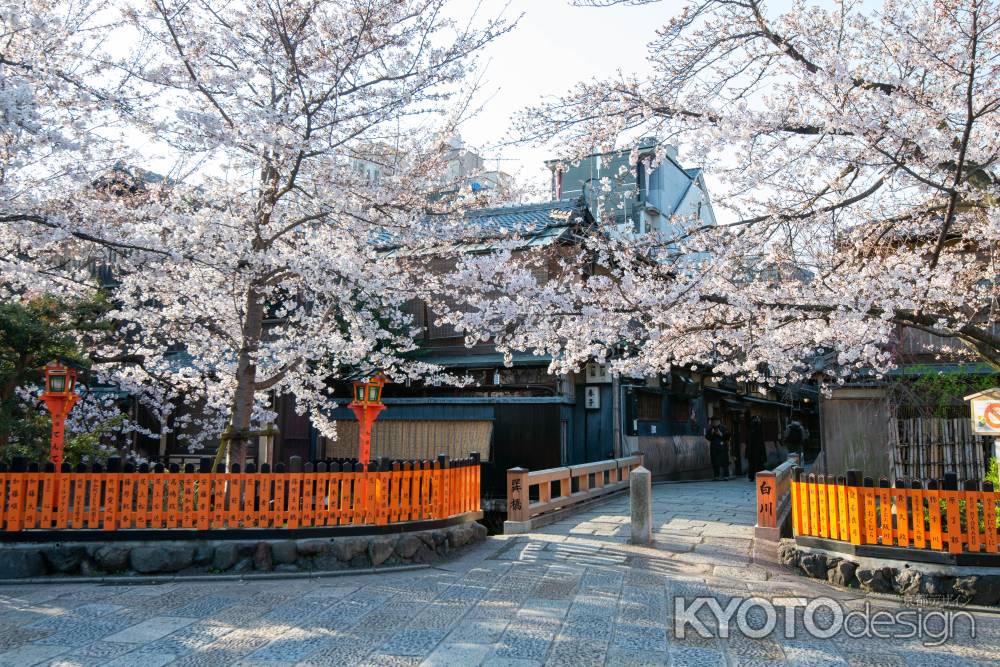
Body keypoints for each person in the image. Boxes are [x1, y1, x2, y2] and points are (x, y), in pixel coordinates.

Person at [746, 415, 766, 481]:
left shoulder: (753, 428)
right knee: (757, 463)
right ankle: (758, 476)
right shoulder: (755, 427)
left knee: (753, 463)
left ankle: (752, 476)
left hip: (753, 448)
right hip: (756, 448)